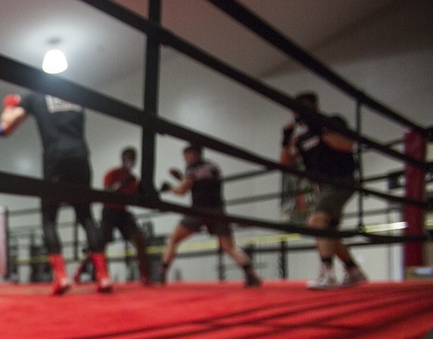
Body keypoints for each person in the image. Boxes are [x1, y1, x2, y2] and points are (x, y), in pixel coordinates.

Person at [0, 93, 106, 295]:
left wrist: (9, 106)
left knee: (49, 217)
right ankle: (104, 276)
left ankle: (61, 277)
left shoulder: (35, 98)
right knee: (86, 216)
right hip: (81, 156)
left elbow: (7, 127)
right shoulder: (76, 96)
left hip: (55, 158)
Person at [281, 91, 367, 289]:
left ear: (315, 107)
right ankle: (354, 271)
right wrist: (285, 140)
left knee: (317, 221)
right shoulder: (300, 139)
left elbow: (346, 144)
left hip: (341, 181)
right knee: (327, 230)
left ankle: (327, 274)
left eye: (307, 108)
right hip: (320, 187)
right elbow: (285, 163)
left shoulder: (331, 123)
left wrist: (319, 127)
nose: (303, 113)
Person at [160, 145, 262, 287]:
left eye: (186, 156)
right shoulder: (213, 166)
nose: (185, 159)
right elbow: (202, 185)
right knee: (228, 247)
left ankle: (162, 275)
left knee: (173, 239)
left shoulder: (193, 168)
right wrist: (181, 177)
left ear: (193, 154)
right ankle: (252, 274)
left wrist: (169, 187)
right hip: (217, 210)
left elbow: (183, 190)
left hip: (199, 211)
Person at [96, 147, 151, 289]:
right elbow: (106, 192)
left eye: (134, 159)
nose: (131, 162)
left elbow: (138, 198)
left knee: (139, 239)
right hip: (109, 211)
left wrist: (154, 192)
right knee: (101, 243)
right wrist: (121, 184)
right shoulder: (113, 173)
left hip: (123, 213)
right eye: (129, 158)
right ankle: (86, 271)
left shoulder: (134, 179)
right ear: (123, 159)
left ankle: (144, 276)